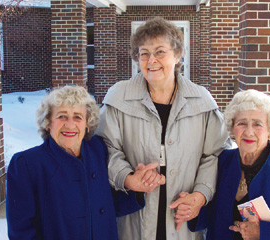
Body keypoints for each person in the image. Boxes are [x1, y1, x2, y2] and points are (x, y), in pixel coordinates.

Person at [96, 17, 231, 240]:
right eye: (144, 53)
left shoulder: (202, 102)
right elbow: (104, 148)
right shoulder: (118, 98)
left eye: (160, 51)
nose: (151, 60)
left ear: (177, 55)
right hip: (134, 218)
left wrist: (199, 196)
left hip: (182, 217)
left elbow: (216, 154)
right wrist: (128, 178)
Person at [6, 86, 149, 240]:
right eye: (61, 116)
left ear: (88, 123)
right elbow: (21, 232)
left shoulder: (98, 150)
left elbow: (107, 205)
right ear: (48, 122)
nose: (70, 124)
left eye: (77, 117)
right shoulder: (27, 164)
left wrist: (137, 188)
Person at [184, 89, 270, 239]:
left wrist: (263, 232)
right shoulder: (220, 162)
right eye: (242, 123)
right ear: (232, 127)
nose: (249, 132)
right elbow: (207, 217)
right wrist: (191, 206)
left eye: (257, 124)